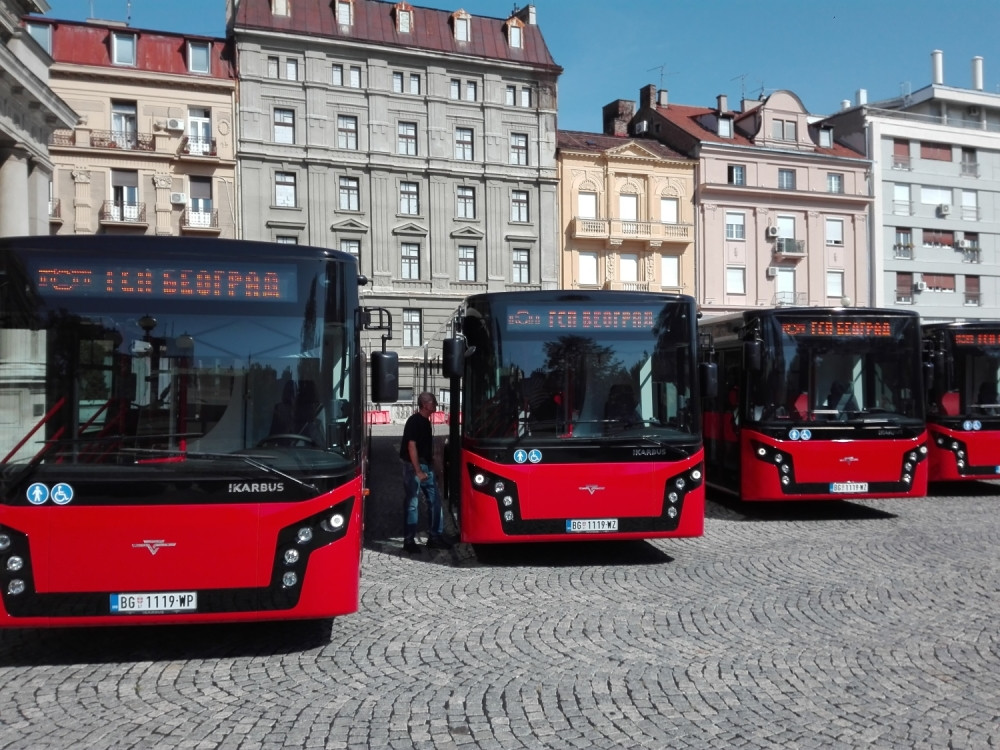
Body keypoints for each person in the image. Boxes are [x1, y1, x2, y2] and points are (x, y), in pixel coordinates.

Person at [399, 392, 450, 553]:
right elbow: (411, 446)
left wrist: (433, 466)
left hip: (424, 467)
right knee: (413, 503)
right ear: (425, 404)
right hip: (414, 467)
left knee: (434, 502)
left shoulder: (426, 422)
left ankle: (434, 537)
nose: (435, 404)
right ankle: (409, 541)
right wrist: (418, 470)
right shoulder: (414, 421)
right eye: (433, 402)